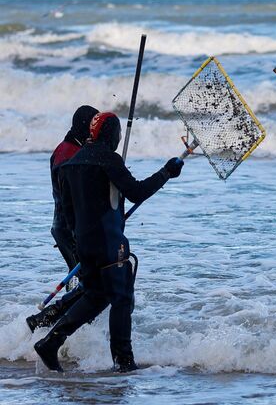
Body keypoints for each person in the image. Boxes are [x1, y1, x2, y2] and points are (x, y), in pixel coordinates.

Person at [34, 112, 184, 372]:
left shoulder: (72, 163)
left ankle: (50, 342)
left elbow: (68, 212)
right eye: (118, 134)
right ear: (110, 134)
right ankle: (123, 361)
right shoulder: (109, 159)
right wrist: (166, 173)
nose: (119, 139)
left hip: (83, 243)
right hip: (108, 242)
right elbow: (136, 192)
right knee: (121, 298)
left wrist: (86, 236)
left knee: (95, 296)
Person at [26, 105, 98, 333]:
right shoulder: (66, 153)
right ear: (83, 126)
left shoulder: (75, 148)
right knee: (87, 281)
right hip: (69, 229)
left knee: (86, 279)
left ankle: (66, 325)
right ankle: (51, 324)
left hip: (72, 226)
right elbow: (72, 194)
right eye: (93, 125)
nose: (95, 131)